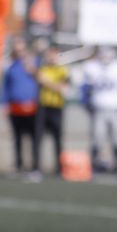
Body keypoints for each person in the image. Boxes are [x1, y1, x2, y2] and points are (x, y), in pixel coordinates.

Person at [79, 46, 117, 176]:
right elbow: (85, 88)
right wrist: (87, 105)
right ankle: (93, 165)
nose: (106, 58)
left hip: (116, 110)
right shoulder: (92, 67)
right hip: (99, 110)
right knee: (97, 139)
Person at [0, 37, 40, 180]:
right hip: (15, 107)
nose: (19, 51)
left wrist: (31, 68)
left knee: (33, 139)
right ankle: (19, 165)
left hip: (32, 107)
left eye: (21, 48)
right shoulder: (10, 66)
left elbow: (41, 78)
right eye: (17, 49)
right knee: (17, 138)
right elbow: (6, 87)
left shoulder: (33, 63)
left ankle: (35, 167)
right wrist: (5, 104)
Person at [35, 44, 69, 177]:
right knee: (38, 138)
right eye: (50, 54)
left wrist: (47, 83)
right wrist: (52, 84)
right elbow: (39, 81)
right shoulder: (43, 69)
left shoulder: (63, 70)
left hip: (57, 106)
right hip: (43, 106)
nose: (52, 57)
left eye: (54, 54)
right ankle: (37, 168)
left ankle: (59, 169)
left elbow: (63, 88)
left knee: (58, 139)